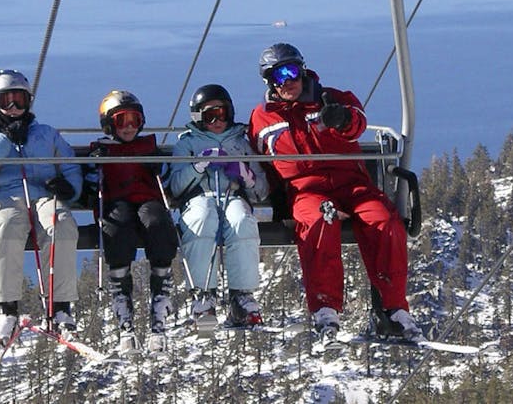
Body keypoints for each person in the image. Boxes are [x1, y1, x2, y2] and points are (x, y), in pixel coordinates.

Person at [247, 43, 423, 341]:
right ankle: (325, 309)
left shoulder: (334, 99)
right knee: (318, 221)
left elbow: (358, 124)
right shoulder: (264, 117)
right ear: (269, 82)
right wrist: (272, 200)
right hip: (307, 189)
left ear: (302, 70)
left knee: (383, 219)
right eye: (278, 76)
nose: (287, 81)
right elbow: (257, 158)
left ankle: (392, 309)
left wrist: (340, 119)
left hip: (352, 184)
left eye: (291, 71)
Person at [0, 69, 82, 347]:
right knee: (5, 229)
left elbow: (71, 164)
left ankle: (60, 305)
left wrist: (69, 187)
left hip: (43, 194)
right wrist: (4, 139)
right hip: (6, 197)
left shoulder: (46, 134)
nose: (14, 108)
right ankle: (6, 308)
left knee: (61, 225)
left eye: (20, 100)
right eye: (6, 102)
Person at [167, 84, 267, 329]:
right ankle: (203, 296)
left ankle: (241, 296)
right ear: (198, 118)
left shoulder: (241, 143)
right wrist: (198, 166)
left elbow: (262, 190)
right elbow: (175, 187)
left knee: (241, 221)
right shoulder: (187, 144)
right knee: (202, 220)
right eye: (209, 116)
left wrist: (245, 174)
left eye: (221, 114)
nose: (216, 121)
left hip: (232, 196)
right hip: (200, 198)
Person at [90, 90, 178, 347]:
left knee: (158, 223)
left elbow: (169, 181)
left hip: (146, 199)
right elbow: (87, 188)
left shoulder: (148, 147)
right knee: (116, 228)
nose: (129, 127)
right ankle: (121, 292)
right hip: (116, 202)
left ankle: (161, 287)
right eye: (121, 121)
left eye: (134, 121)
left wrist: (158, 165)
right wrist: (92, 168)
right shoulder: (102, 151)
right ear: (108, 124)